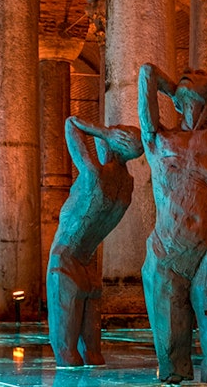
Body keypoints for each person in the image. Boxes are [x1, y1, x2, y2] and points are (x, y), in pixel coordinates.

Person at [138, 52, 207, 387]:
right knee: (171, 362)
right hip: (166, 251)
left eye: (196, 74)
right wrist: (172, 86)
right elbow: (146, 73)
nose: (189, 71)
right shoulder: (161, 140)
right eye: (184, 73)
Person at [47, 116, 144, 368]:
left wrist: (104, 132)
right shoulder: (126, 188)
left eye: (114, 132)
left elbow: (70, 124)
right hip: (89, 267)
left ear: (112, 143)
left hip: (65, 261)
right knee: (93, 357)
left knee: (66, 355)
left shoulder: (93, 177)